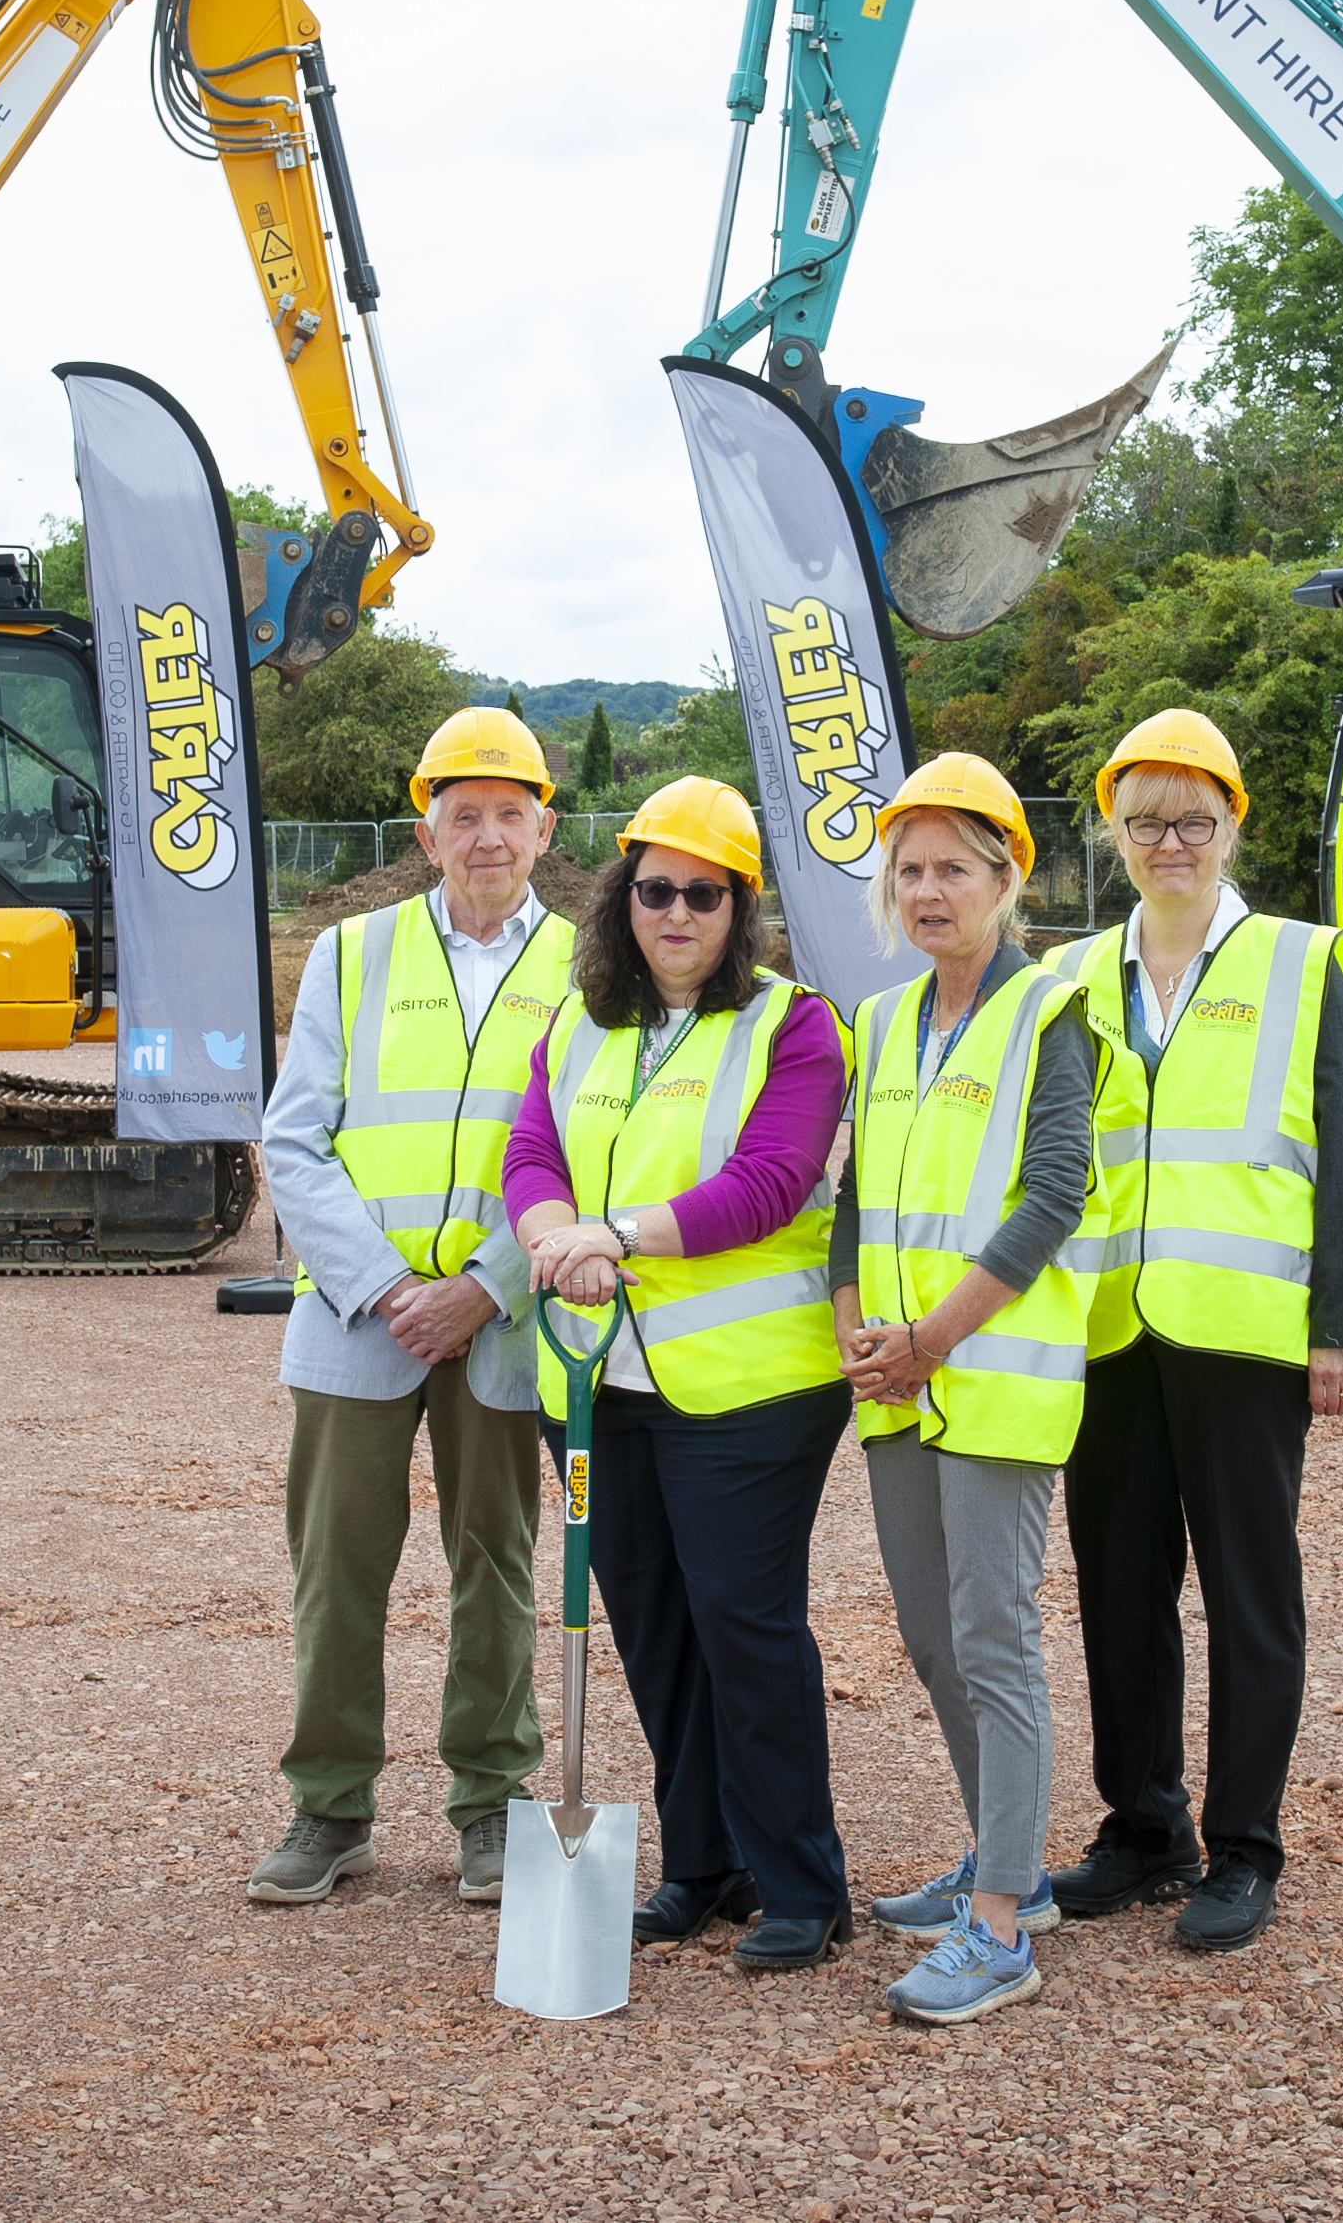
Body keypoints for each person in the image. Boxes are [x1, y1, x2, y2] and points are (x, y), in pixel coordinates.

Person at [1040, 710, 1343, 1955]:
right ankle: (1143, 1829)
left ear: (1233, 825)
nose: (1169, 841)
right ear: (1114, 833)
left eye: (1193, 818)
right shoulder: (1074, 976)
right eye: (1145, 821)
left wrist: (1342, 1326)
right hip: (1107, 1334)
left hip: (1244, 1332)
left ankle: (1244, 1846)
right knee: (1120, 1593)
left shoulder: (1300, 962)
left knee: (1250, 1594)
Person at [503, 775, 856, 1972]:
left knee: (745, 1629)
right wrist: (552, 1232)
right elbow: (530, 1147)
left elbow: (769, 1179)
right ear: (624, 894)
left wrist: (619, 1236)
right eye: (656, 889)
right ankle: (707, 1865)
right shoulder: (580, 1019)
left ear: (738, 907)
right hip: (601, 1385)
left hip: (748, 1392)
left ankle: (804, 1883)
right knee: (653, 1627)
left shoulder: (794, 1027)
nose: (677, 912)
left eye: (704, 894)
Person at [247, 705, 573, 1908]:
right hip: (358, 1317)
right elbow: (297, 1137)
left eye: (509, 815)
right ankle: (330, 1809)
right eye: (464, 816)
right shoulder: (351, 954)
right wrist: (392, 1287)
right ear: (427, 832)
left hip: (503, 1317)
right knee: (337, 1569)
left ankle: (491, 1804)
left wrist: (483, 1286)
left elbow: (586, 1156)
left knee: (497, 1560)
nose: (488, 837)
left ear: (546, 828)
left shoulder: (589, 973)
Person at [833, 753, 1097, 2027]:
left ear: (1006, 879)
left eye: (954, 868)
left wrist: (928, 1338)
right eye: (911, 869)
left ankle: (1000, 1926)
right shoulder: (881, 1022)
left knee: (996, 1643)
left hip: (985, 1375)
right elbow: (854, 1199)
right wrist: (857, 1334)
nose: (928, 890)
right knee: (936, 1641)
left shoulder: (1051, 1012)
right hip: (894, 1380)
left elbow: (1054, 1194)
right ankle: (1009, 1866)